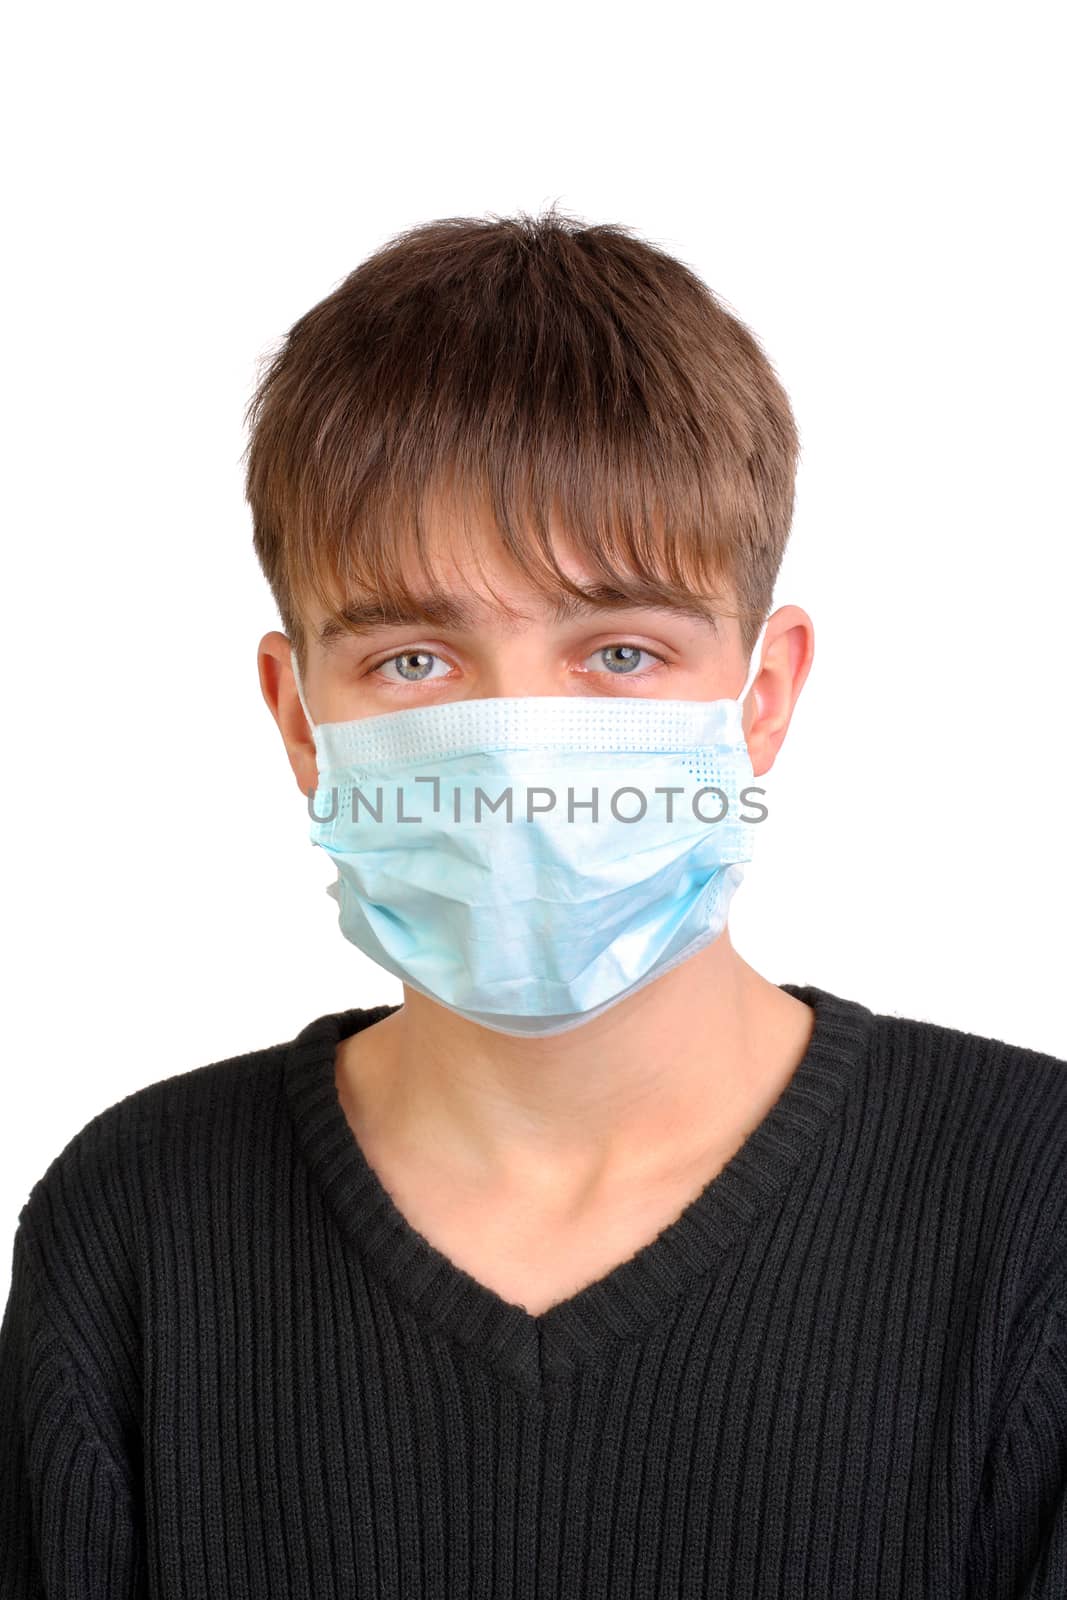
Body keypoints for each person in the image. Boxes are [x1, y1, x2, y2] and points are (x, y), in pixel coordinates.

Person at [2, 209, 1065, 1598]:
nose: (515, 757)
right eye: (413, 662)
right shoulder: (137, 1225)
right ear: (299, 716)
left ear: (764, 695)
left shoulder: (1032, 1205)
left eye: (619, 650)